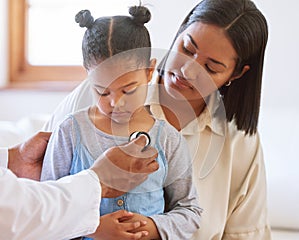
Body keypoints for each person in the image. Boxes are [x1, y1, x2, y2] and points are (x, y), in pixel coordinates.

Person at [43, 0, 271, 239]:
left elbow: (244, 234)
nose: (187, 70)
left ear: (235, 74)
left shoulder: (240, 142)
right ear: (180, 32)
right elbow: (38, 200)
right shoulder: (91, 99)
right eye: (187, 49)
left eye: (210, 67)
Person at [41, 5, 202, 240]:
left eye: (128, 90)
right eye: (102, 92)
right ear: (87, 75)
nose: (115, 103)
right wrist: (92, 228)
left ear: (149, 71)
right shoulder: (70, 132)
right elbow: (45, 208)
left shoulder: (167, 138)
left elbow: (190, 211)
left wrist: (151, 226)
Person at [0, 131, 159, 240]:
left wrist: (13, 159)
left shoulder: (166, 136)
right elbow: (13, 215)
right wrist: (100, 182)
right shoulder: (71, 127)